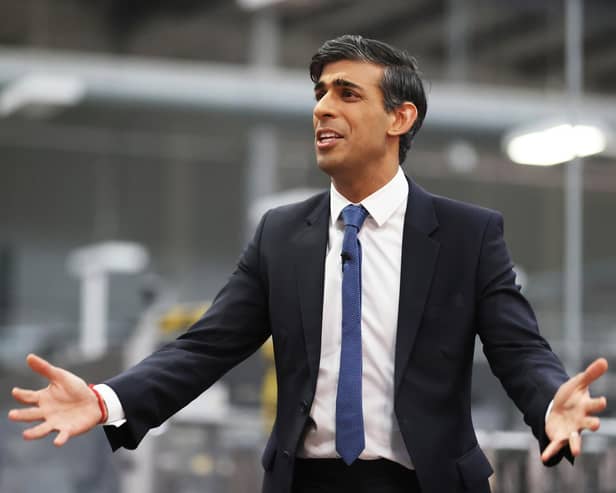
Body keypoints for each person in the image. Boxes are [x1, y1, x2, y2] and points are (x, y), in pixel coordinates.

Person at [8, 35, 608, 493]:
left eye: (347, 93)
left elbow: (517, 347)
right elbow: (204, 347)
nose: (323, 108)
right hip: (306, 479)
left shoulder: (467, 235)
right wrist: (107, 398)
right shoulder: (281, 236)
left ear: (401, 118)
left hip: (425, 480)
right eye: (320, 92)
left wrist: (549, 399)